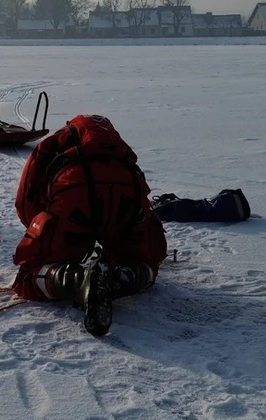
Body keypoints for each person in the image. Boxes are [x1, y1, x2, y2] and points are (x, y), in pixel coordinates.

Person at [12, 114, 168, 304]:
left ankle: (76, 281)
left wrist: (41, 230)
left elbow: (27, 194)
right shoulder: (119, 148)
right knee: (142, 262)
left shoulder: (59, 139)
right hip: (126, 195)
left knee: (30, 277)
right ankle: (126, 277)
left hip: (73, 191)